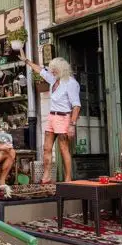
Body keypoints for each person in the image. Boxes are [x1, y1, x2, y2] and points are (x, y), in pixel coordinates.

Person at [19, 49, 81, 183]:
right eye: (51, 69)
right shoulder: (54, 79)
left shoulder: (71, 83)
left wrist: (72, 125)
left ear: (62, 69)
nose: (52, 71)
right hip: (52, 117)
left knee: (63, 148)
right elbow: (40, 70)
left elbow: (76, 105)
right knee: (47, 148)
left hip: (64, 118)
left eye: (54, 69)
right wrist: (26, 61)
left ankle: (68, 178)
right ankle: (46, 176)